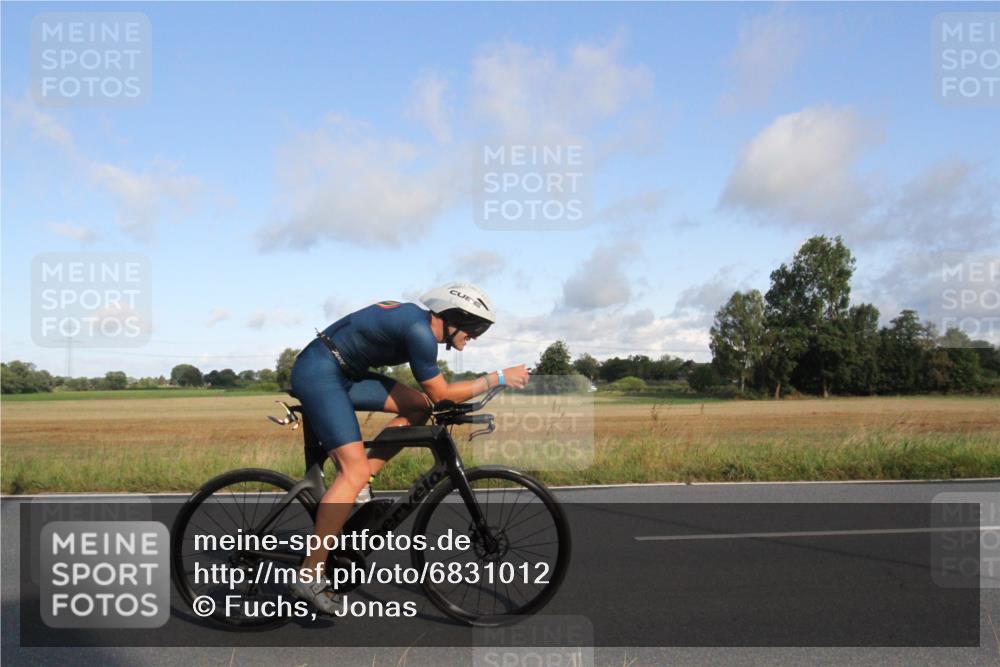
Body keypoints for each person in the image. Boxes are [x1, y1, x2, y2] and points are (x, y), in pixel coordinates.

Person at [287, 282, 530, 613]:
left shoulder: (418, 325)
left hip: (344, 372)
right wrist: (496, 378)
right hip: (320, 372)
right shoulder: (420, 332)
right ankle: (310, 573)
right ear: (453, 316)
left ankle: (361, 483)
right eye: (474, 328)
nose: (473, 336)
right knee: (352, 469)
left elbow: (432, 399)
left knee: (418, 406)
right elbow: (443, 392)